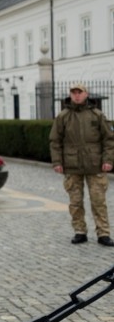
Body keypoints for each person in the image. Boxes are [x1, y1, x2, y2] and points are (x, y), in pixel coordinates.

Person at [49, 81, 114, 247]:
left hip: (95, 164)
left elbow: (109, 139)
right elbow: (55, 141)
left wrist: (108, 160)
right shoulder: (63, 116)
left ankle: (103, 233)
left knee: (98, 201)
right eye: (74, 93)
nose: (77, 95)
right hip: (72, 165)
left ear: (86, 94)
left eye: (80, 92)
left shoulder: (97, 115)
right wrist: (57, 162)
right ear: (71, 95)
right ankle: (79, 231)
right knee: (75, 202)